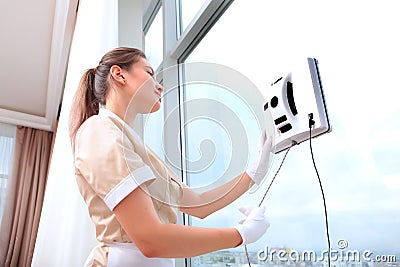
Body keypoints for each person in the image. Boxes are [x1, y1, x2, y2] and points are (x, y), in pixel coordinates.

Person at [69, 47, 272, 267]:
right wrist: (240, 235)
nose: (159, 86)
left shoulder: (135, 145)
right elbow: (150, 239)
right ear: (119, 75)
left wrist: (254, 173)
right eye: (149, 73)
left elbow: (199, 205)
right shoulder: (100, 130)